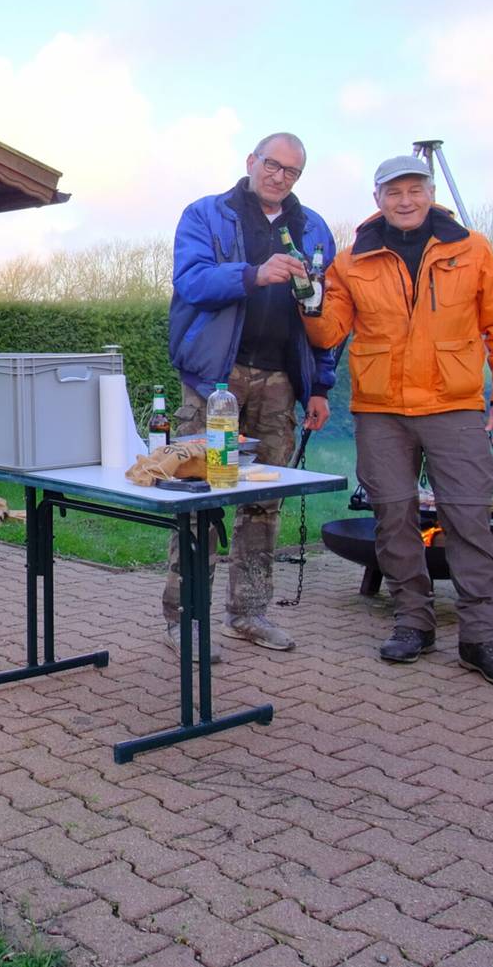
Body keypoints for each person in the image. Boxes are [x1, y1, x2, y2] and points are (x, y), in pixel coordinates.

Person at [304, 156, 493, 686]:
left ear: (429, 192)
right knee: (393, 517)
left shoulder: (471, 248)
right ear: (377, 197)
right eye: (393, 192)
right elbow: (328, 334)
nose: (404, 201)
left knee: (470, 519)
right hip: (381, 409)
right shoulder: (350, 259)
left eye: (414, 190)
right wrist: (309, 302)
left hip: (454, 404)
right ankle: (413, 621)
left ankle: (481, 637)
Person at [166, 132, 337, 655]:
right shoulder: (207, 214)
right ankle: (183, 619)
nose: (279, 176)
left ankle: (250, 613)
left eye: (291, 171)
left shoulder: (314, 230)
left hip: (282, 383)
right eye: (272, 164)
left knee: (264, 501)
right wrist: (253, 274)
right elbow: (191, 282)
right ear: (251, 162)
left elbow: (326, 315)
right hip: (216, 381)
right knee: (199, 497)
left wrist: (321, 383)